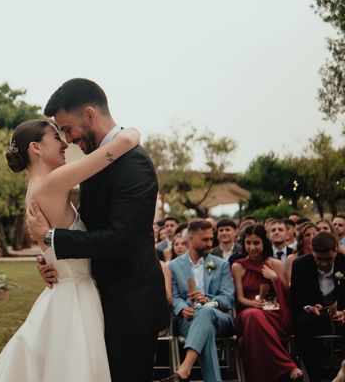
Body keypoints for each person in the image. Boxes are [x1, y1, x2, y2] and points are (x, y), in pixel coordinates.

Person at [22, 78, 168, 381]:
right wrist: (52, 260)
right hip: (98, 301)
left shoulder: (134, 164)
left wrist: (54, 241)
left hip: (131, 307)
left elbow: (121, 239)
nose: (67, 139)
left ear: (89, 115)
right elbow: (88, 225)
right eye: (59, 132)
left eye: (67, 128)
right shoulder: (95, 161)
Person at [0, 115, 142, 382]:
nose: (65, 144)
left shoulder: (34, 189)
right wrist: (132, 130)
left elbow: (52, 246)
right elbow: (127, 139)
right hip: (76, 297)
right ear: (36, 148)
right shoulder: (54, 182)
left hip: (64, 290)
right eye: (57, 137)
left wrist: (46, 261)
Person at [165, 220, 235, 382]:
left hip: (219, 317)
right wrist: (182, 308)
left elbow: (228, 297)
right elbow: (174, 297)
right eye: (205, 240)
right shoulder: (174, 266)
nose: (210, 243)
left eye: (211, 239)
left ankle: (184, 368)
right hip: (187, 319)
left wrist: (208, 301)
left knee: (206, 312)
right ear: (190, 239)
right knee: (206, 330)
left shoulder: (221, 264)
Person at [231, 224, 302, 381]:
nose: (252, 247)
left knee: (256, 320)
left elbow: (287, 295)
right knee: (253, 316)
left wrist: (274, 278)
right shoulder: (238, 266)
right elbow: (240, 298)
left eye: (256, 243)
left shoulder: (275, 264)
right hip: (248, 311)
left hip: (274, 312)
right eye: (248, 243)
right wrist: (253, 304)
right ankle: (287, 365)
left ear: (264, 243)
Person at [291, 231, 345, 380]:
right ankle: (316, 376)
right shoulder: (300, 265)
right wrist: (309, 307)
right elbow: (296, 298)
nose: (323, 263)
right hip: (313, 317)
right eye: (318, 259)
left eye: (328, 259)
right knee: (301, 323)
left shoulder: (344, 262)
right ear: (312, 252)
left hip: (341, 315)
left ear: (336, 250)